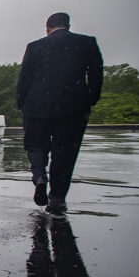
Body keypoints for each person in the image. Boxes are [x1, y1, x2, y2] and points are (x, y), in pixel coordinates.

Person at [16, 12, 103, 214]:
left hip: (38, 106)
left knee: (35, 145)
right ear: (68, 25)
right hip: (72, 107)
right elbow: (96, 74)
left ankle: (39, 176)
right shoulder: (87, 43)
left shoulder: (35, 46)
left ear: (47, 28)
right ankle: (57, 199)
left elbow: (25, 78)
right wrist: (90, 99)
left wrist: (22, 103)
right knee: (65, 152)